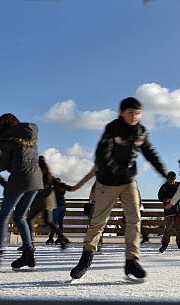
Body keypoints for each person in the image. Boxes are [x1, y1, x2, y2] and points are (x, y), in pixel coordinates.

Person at [70, 97, 167, 281]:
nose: (134, 117)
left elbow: (149, 152)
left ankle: (131, 260)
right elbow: (101, 153)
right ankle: (86, 258)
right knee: (99, 220)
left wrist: (162, 169)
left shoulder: (141, 131)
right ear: (121, 112)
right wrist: (113, 169)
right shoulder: (112, 128)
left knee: (134, 219)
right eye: (130, 112)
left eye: (138, 113)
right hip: (107, 181)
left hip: (128, 181)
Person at [0, 113, 43, 272]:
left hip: (19, 179)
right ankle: (28, 253)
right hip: (36, 180)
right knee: (19, 216)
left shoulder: (7, 140)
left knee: (4, 215)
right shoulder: (31, 136)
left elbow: (1, 166)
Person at [25, 156, 70, 250]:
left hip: (41, 202)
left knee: (30, 220)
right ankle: (61, 238)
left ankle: (30, 243)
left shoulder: (35, 173)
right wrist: (71, 188)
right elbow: (59, 185)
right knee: (50, 222)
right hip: (50, 203)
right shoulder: (48, 176)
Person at [157, 171, 180, 253]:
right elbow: (160, 196)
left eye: (172, 180)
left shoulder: (179, 185)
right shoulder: (164, 187)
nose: (171, 182)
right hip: (169, 211)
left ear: (175, 179)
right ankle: (164, 245)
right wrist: (166, 199)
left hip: (179, 210)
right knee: (168, 229)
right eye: (170, 180)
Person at [47, 177, 73, 244]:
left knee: (54, 223)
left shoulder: (52, 189)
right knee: (60, 222)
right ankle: (60, 238)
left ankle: (51, 238)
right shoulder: (63, 189)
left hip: (56, 207)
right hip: (63, 206)